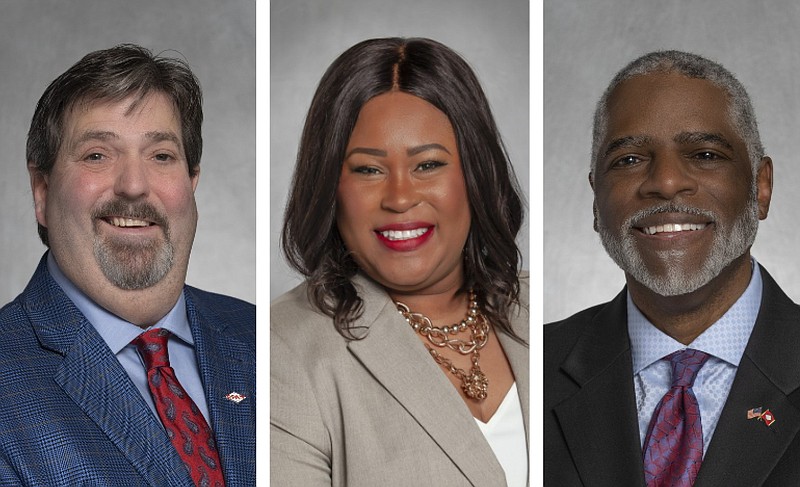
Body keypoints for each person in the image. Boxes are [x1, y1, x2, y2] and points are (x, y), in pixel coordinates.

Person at [271, 37, 529, 486]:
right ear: (331, 187)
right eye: (368, 170)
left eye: (428, 165)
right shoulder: (282, 349)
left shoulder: (546, 314)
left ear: (475, 173)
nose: (400, 198)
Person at [0, 44, 255, 486]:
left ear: (191, 183)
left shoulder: (261, 339)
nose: (135, 186)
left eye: (161, 156)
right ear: (42, 190)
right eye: (98, 154)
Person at [543, 50, 800, 486]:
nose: (665, 182)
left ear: (760, 186)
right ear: (595, 198)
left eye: (704, 154)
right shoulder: (535, 366)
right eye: (628, 160)